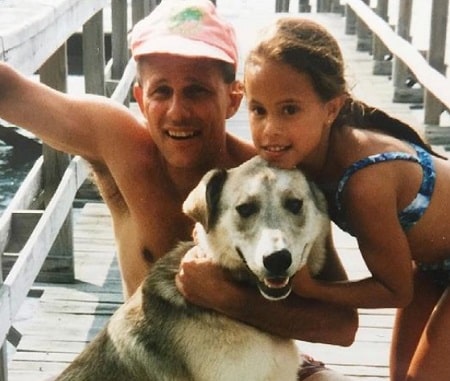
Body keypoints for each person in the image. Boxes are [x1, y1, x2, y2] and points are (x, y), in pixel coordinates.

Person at [0, 1, 357, 379]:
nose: (177, 111)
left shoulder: (276, 180)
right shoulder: (117, 145)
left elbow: (341, 325)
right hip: (156, 365)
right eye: (162, 91)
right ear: (139, 98)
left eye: (197, 91)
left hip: (258, 358)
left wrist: (226, 297)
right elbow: (9, 91)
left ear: (233, 98)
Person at [220, 15, 449, 381]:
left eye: (289, 109)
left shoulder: (364, 182)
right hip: (433, 262)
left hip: (417, 272)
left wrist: (317, 289)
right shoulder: (302, 151)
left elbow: (396, 290)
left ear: (331, 108)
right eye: (258, 109)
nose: (269, 130)